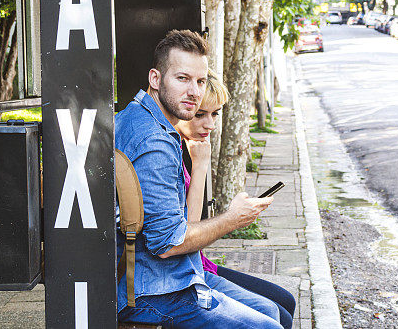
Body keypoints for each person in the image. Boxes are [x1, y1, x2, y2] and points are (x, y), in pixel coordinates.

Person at [114, 29, 280, 328]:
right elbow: (167, 244)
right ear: (156, 79)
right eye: (182, 78)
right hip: (152, 290)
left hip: (166, 277)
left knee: (271, 311)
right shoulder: (154, 141)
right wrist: (233, 219)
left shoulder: (138, 117)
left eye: (200, 81)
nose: (194, 91)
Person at [176, 70, 296, 329]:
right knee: (275, 314)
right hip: (186, 272)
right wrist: (200, 168)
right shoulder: (175, 151)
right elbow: (186, 231)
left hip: (198, 264)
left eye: (214, 114)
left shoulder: (193, 146)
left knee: (285, 302)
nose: (210, 124)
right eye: (200, 114)